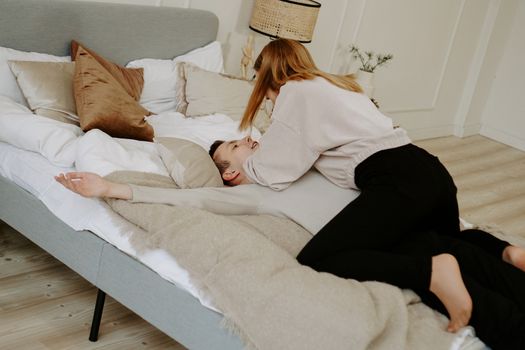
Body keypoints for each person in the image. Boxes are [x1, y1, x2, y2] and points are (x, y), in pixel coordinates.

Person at [56, 135, 525, 348]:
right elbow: (198, 200)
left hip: (397, 223)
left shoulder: (305, 159)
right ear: (233, 173)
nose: (252, 140)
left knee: (467, 261)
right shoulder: (254, 193)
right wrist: (112, 188)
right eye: (240, 146)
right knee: (477, 283)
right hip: (401, 238)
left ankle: (495, 257)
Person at [223, 37, 525, 348]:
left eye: (265, 95)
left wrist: (246, 166)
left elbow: (276, 168)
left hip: (398, 179)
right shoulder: (336, 85)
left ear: (264, 77)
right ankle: (504, 252)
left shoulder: (293, 93)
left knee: (320, 259)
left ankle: (432, 273)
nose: (269, 102)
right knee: (446, 246)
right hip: (429, 170)